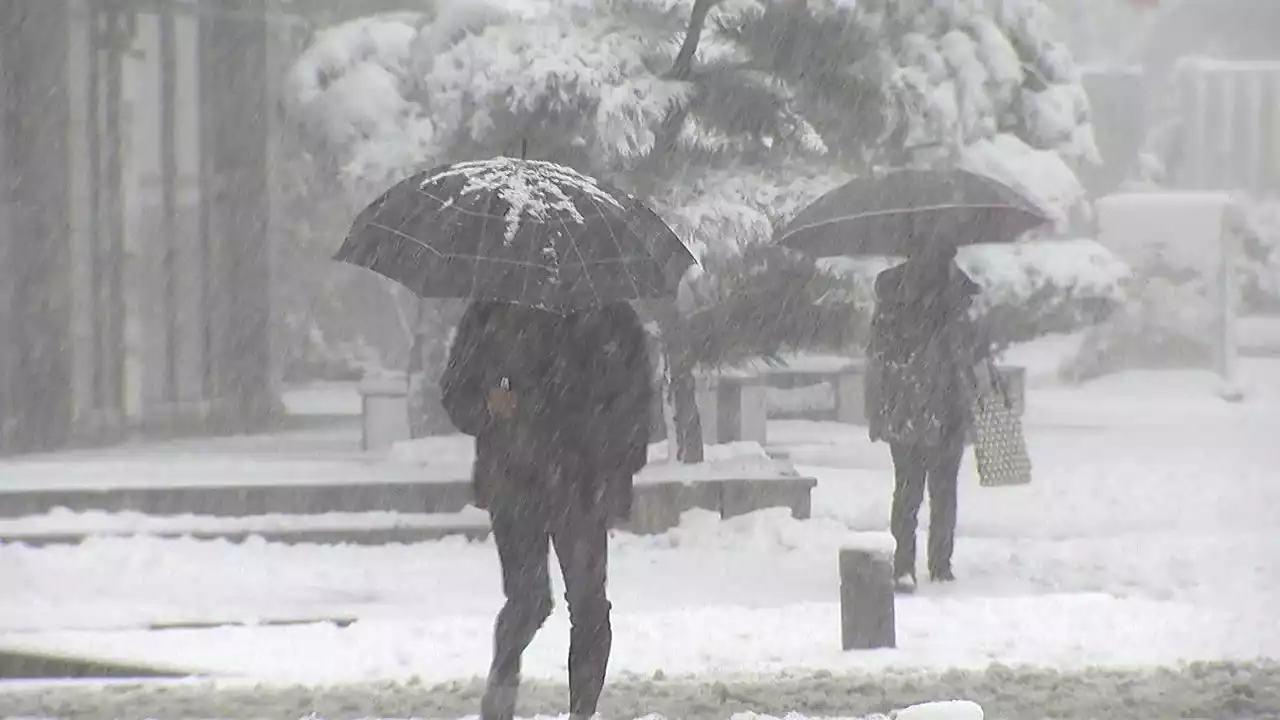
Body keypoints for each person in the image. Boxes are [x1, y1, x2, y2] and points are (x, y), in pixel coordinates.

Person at [440, 300, 652, 720]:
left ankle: (582, 711)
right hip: (514, 481)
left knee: (589, 604)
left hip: (582, 483)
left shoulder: (612, 317)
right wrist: (488, 406)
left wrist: (614, 463)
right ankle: (500, 689)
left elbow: (636, 403)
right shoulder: (491, 312)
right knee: (529, 600)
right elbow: (455, 391)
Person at [865, 240, 990, 594]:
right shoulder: (960, 295)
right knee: (942, 490)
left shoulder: (893, 295)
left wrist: (878, 409)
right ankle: (940, 565)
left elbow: (877, 353)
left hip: (906, 406)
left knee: (908, 489)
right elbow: (976, 350)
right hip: (946, 404)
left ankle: (904, 564)